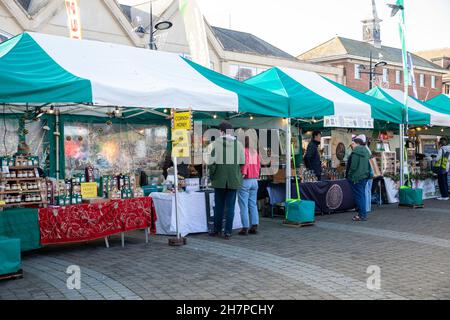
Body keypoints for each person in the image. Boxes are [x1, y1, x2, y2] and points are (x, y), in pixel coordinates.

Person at [209, 121, 245, 239]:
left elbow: (212, 164)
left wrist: (212, 176)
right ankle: (228, 232)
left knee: (218, 207)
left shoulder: (216, 144)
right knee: (230, 207)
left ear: (222, 131)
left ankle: (217, 230)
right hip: (233, 180)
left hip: (219, 180)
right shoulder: (239, 145)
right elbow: (242, 163)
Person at [238, 136, 261, 236]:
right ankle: (254, 225)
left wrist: (243, 173)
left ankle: (245, 227)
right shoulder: (254, 152)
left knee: (244, 205)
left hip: (246, 180)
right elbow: (259, 165)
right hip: (254, 180)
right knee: (253, 204)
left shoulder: (243, 151)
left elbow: (245, 164)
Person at [347, 134, 371, 222]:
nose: (352, 145)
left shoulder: (356, 152)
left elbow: (353, 166)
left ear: (357, 143)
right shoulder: (366, 151)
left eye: (353, 143)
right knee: (362, 196)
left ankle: (362, 215)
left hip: (356, 178)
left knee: (359, 197)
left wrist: (349, 174)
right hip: (365, 176)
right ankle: (363, 214)